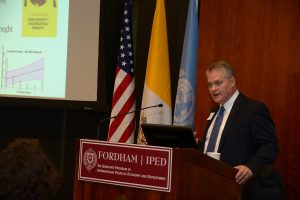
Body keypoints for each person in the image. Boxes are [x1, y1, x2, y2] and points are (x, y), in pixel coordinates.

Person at [199, 60, 279, 184]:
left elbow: (270, 146)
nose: (213, 89)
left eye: (218, 83)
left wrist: (250, 168)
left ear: (232, 81)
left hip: (237, 186)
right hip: (208, 182)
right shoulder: (214, 111)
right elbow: (215, 146)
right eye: (209, 84)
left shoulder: (253, 109)